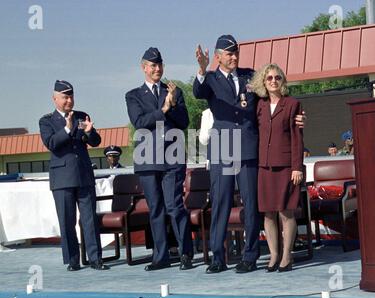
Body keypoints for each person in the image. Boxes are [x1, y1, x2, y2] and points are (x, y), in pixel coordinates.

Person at [194, 35, 305, 274]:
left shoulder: (249, 75)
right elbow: (198, 91)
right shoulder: (211, 79)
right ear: (218, 57)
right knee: (221, 202)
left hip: (247, 147)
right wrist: (202, 69)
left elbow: (272, 98)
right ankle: (217, 257)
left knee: (252, 204)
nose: (234, 57)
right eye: (229, 53)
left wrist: (297, 117)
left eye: (236, 53)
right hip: (223, 147)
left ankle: (250, 255)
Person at [125, 47, 193, 271]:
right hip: (148, 160)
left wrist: (171, 105)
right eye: (153, 65)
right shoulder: (133, 95)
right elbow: (140, 121)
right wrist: (162, 109)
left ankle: (186, 253)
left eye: (160, 65)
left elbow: (184, 121)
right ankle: (161, 256)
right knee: (155, 209)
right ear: (144, 68)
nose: (157, 69)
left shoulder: (174, 91)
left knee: (175, 207)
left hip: (172, 158)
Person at [39, 80, 109, 271]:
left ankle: (96, 259)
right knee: (67, 221)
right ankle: (72, 260)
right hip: (62, 179)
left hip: (83, 175)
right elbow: (52, 143)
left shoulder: (81, 116)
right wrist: (68, 129)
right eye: (64, 97)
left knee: (89, 219)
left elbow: (95, 141)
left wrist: (88, 133)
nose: (69, 100)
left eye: (71, 96)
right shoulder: (47, 121)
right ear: (55, 99)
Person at [251, 63, 304, 272]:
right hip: (264, 167)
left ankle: (287, 256)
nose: (273, 81)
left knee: (286, 212)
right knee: (268, 213)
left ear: (283, 81)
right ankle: (273, 255)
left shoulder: (292, 104)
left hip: (286, 167)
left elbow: (297, 138)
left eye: (277, 77)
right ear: (264, 82)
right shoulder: (259, 105)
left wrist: (297, 167)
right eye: (269, 78)